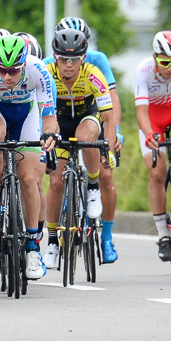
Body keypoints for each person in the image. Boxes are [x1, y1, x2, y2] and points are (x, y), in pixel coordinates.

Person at [0, 35, 59, 280]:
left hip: (26, 113)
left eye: (13, 71)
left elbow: (49, 115)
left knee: (29, 180)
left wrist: (50, 132)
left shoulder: (39, 71)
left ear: (23, 65)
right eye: (2, 71)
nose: (7, 77)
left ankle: (32, 247)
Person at [42, 28, 113, 269]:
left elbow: (109, 117)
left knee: (86, 137)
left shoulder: (93, 75)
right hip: (58, 123)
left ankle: (92, 186)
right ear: (55, 56)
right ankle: (52, 240)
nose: (68, 65)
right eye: (63, 59)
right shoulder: (46, 73)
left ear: (83, 58)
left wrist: (109, 149)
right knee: (56, 182)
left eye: (74, 59)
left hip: (86, 118)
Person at [136, 31, 171, 261]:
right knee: (156, 173)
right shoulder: (144, 71)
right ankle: (163, 234)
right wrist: (148, 135)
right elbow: (141, 112)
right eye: (165, 62)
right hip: (152, 119)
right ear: (155, 58)